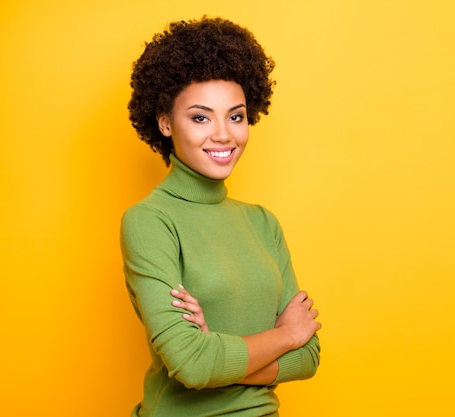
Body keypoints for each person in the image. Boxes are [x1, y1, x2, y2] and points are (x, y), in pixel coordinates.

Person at [120, 16, 322, 417]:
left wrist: (220, 353)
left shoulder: (263, 223)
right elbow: (191, 365)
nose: (224, 135)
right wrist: (285, 335)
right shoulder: (150, 221)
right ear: (164, 123)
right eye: (200, 117)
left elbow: (309, 357)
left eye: (236, 116)